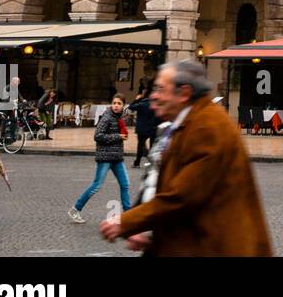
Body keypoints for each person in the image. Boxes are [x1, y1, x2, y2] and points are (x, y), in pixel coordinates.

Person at [99, 61, 272, 256]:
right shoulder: (187, 122)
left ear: (184, 93)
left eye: (160, 89)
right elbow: (160, 181)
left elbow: (182, 197)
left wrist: (127, 222)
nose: (154, 96)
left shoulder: (207, 127)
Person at [69, 95, 133, 223]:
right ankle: (75, 209)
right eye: (114, 103)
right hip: (105, 157)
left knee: (125, 185)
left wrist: (121, 136)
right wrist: (118, 136)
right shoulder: (107, 117)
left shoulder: (119, 118)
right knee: (96, 185)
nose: (116, 105)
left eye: (119, 103)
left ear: (123, 105)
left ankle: (128, 214)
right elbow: (97, 136)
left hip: (116, 157)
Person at [127, 89, 158, 167]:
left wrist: (136, 99)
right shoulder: (155, 104)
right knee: (152, 146)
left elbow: (130, 107)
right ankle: (152, 163)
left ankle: (137, 162)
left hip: (142, 129)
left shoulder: (141, 104)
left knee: (140, 145)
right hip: (152, 127)